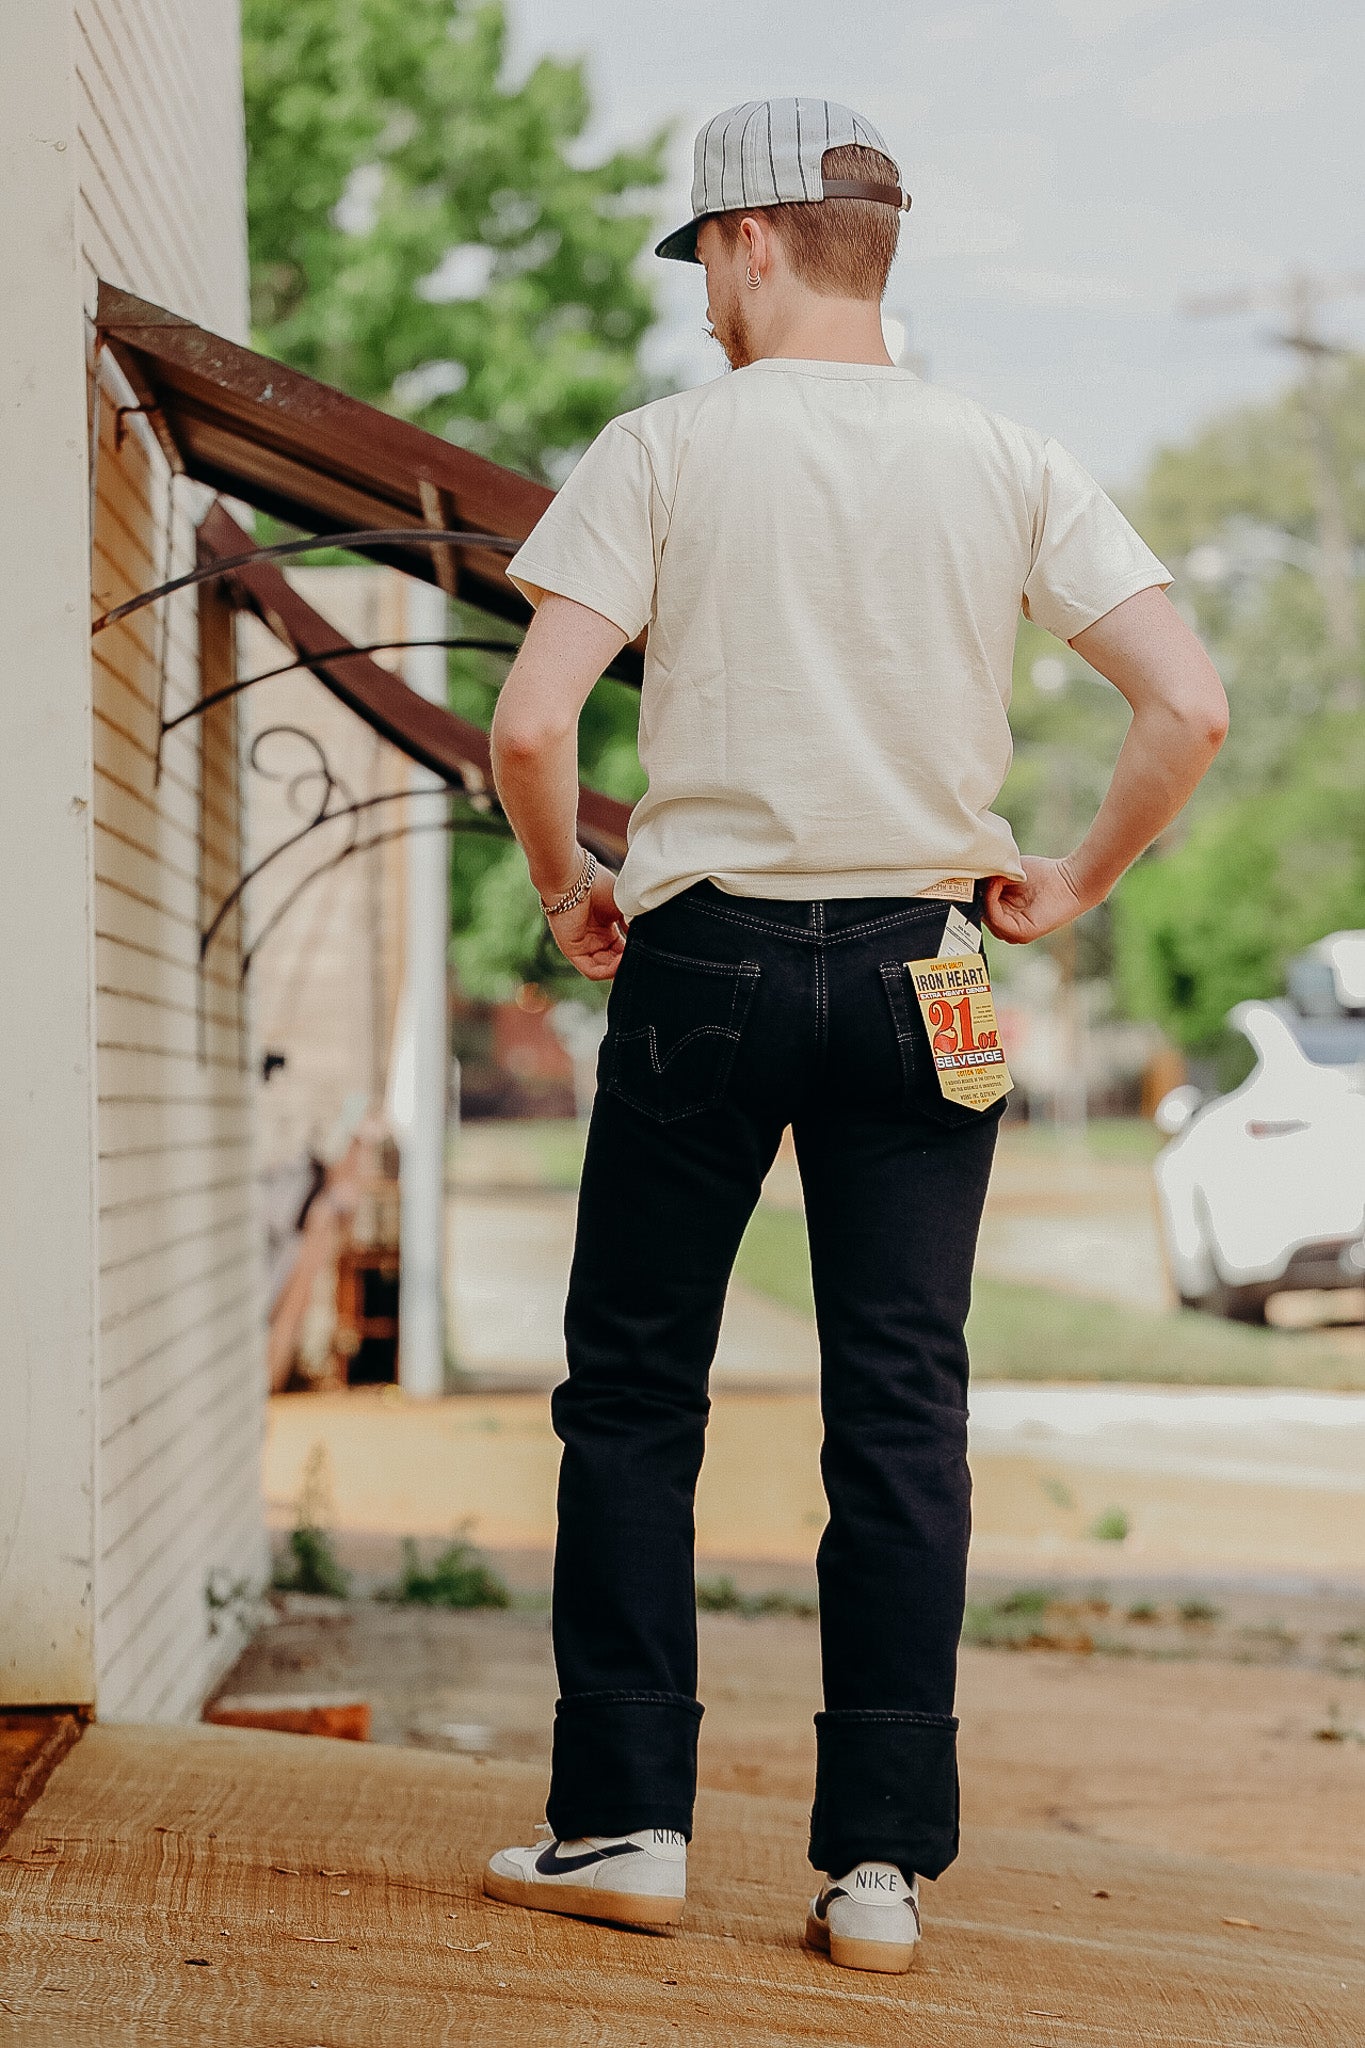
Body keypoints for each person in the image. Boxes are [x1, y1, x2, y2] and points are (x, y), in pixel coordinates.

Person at [482, 97, 1227, 1974]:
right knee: (901, 1410)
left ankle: (625, 1824)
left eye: (702, 268)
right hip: (928, 973)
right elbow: (1187, 706)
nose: (701, 306)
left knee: (636, 1395)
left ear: (744, 241)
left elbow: (526, 727)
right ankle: (878, 1871)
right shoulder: (1005, 456)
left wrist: (574, 881)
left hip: (703, 964)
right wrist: (1068, 880)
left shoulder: (661, 453)